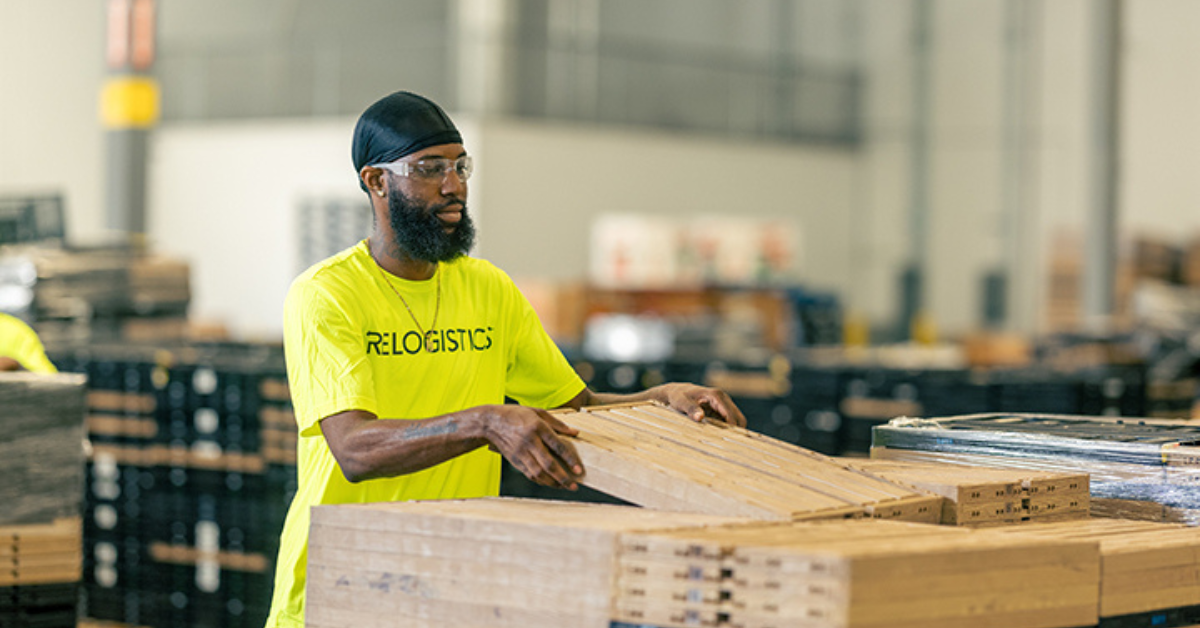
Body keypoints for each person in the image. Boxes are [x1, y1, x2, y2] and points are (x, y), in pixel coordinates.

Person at [265, 90, 746, 628]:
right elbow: (354, 449)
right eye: (429, 169)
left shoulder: (488, 288)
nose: (454, 186)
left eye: (460, 166)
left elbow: (577, 405)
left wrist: (659, 402)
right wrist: (486, 421)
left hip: (454, 580)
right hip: (344, 585)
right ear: (376, 181)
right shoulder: (327, 295)